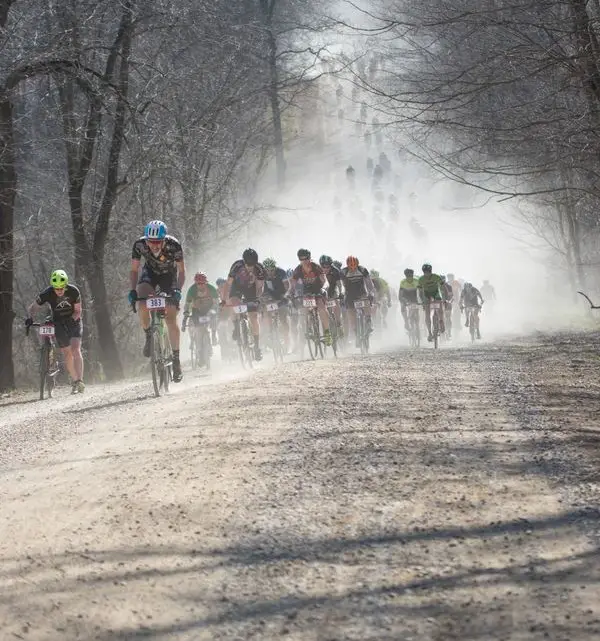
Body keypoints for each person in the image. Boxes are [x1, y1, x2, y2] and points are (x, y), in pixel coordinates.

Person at [129, 220, 185, 382]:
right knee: (142, 303)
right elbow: (134, 270)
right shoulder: (139, 245)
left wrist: (178, 291)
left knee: (171, 317)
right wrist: (133, 290)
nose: (153, 246)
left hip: (169, 276)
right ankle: (149, 336)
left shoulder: (174, 245)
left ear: (164, 239)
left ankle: (176, 359)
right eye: (150, 242)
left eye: (157, 242)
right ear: (146, 240)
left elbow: (182, 271)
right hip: (150, 274)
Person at [26, 269, 85, 393]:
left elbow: (78, 311)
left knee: (75, 349)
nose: (59, 290)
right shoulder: (47, 293)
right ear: (53, 286)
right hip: (58, 322)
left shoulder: (74, 291)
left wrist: (72, 320)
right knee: (67, 353)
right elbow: (33, 307)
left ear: (65, 285)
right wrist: (30, 318)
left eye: (61, 288)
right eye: (56, 288)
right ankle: (75, 381)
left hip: (74, 320)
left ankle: (80, 381)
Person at [223, 248, 266, 361]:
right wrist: (223, 299)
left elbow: (260, 286)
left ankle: (257, 347)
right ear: (244, 262)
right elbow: (228, 284)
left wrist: (258, 298)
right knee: (233, 302)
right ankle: (236, 326)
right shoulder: (236, 266)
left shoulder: (259, 268)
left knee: (253, 316)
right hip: (237, 288)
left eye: (253, 265)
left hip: (251, 291)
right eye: (248, 265)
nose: (250, 267)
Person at [288, 248, 332, 346]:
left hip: (318, 289)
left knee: (321, 308)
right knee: (303, 311)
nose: (304, 261)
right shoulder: (298, 270)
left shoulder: (316, 266)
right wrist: (290, 293)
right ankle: (308, 328)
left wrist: (324, 289)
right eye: (302, 259)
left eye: (306, 258)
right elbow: (293, 285)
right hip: (306, 291)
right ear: (299, 259)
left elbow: (325, 281)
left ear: (309, 257)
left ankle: (327, 334)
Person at [341, 255, 375, 346]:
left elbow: (369, 283)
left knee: (366, 301)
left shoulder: (362, 270)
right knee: (350, 312)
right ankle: (356, 333)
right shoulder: (343, 272)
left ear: (358, 264)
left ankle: (368, 320)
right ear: (347, 265)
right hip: (350, 293)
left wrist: (371, 293)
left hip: (361, 292)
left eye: (354, 266)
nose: (352, 268)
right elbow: (341, 285)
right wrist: (341, 295)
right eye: (350, 266)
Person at [262, 257, 291, 352]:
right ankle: (269, 332)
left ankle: (287, 342)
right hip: (269, 296)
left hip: (282, 295)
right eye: (268, 270)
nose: (270, 272)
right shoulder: (262, 275)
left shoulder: (281, 272)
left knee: (283, 319)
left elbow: (287, 286)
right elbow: (260, 289)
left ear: (275, 268)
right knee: (265, 312)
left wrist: (286, 296)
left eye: (272, 270)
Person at [182, 272, 219, 346]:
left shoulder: (212, 289)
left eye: (203, 283)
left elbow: (216, 303)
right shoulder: (192, 290)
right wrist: (186, 314)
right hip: (197, 310)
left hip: (209, 309)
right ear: (196, 283)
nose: (201, 285)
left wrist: (213, 312)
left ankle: (214, 335)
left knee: (214, 317)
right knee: (193, 323)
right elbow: (187, 304)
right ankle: (192, 339)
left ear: (206, 283)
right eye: (198, 284)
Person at [417, 263, 445, 341]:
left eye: (428, 271)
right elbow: (420, 291)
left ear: (431, 271)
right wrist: (422, 301)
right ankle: (429, 332)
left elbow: (443, 287)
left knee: (440, 307)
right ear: (423, 272)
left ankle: (441, 321)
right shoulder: (421, 279)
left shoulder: (436, 277)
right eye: (425, 272)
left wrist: (444, 298)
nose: (427, 273)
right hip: (426, 295)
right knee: (427, 313)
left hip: (435, 293)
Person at [319, 254, 344, 335]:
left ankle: (339, 324)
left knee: (336, 304)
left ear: (331, 265)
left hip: (333, 291)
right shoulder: (317, 271)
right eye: (323, 266)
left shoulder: (335, 271)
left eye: (328, 266)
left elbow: (340, 284)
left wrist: (341, 293)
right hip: (322, 293)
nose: (326, 268)